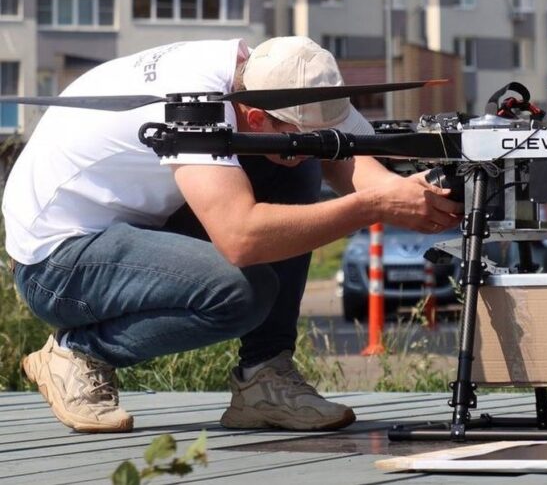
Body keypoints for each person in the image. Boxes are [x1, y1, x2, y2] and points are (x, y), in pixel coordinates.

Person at [2, 36, 462, 433]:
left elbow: (350, 163)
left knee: (294, 169)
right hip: (59, 263)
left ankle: (264, 376)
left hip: (130, 226)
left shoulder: (280, 74)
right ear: (257, 118)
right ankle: (75, 353)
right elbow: (242, 239)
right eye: (299, 133)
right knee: (240, 291)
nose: (310, 146)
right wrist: (373, 207)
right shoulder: (194, 106)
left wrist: (418, 197)